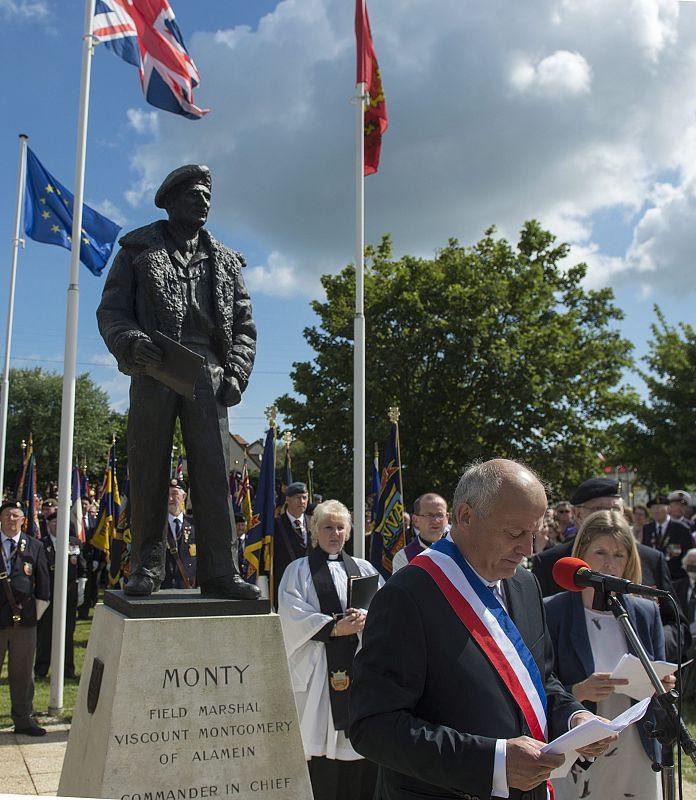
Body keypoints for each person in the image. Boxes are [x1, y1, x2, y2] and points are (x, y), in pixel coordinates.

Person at [349, 459, 614, 800]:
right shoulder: (406, 595)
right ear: (465, 516)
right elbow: (373, 726)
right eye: (515, 533)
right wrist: (493, 761)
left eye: (534, 533)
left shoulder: (525, 584)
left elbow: (541, 680)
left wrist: (574, 718)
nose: (527, 549)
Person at [97, 164, 259, 600]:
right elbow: (112, 311)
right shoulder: (137, 250)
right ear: (169, 202)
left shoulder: (225, 259)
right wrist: (130, 342)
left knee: (213, 471)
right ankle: (146, 566)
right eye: (194, 194)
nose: (203, 201)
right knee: (148, 467)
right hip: (155, 363)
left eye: (207, 195)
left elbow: (244, 325)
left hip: (208, 368)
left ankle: (221, 569)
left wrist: (236, 370)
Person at [545, 510, 675, 800]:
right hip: (582, 739)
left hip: (636, 739)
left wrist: (662, 685)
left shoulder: (645, 611)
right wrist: (578, 690)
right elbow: (541, 683)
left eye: (619, 555)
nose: (609, 564)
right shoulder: (553, 611)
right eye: (600, 552)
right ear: (581, 555)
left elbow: (659, 678)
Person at [278, 499, 382, 800]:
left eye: (340, 527)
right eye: (327, 527)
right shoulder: (298, 571)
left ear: (348, 532)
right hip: (319, 671)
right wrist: (334, 628)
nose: (334, 534)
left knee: (357, 753)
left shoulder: (364, 569)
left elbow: (386, 607)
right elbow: (290, 613)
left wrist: (365, 618)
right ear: (314, 531)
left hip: (359, 667)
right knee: (320, 747)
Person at [532, 478, 689, 662]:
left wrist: (650, 642)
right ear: (578, 514)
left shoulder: (650, 559)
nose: (608, 516)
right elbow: (538, 633)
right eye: (599, 509)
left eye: (615, 509)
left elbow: (678, 627)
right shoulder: (552, 563)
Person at [0, 501, 50, 736]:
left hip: (24, 621)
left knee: (23, 674)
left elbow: (44, 586)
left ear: (23, 520)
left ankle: (23, 720)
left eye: (15, 515)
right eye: (7, 515)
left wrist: (32, 617)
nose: (11, 519)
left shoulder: (35, 545)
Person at [34, 510, 86, 679]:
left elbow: (81, 567)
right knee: (45, 633)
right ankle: (41, 669)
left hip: (69, 594)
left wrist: (82, 586)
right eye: (54, 522)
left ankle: (67, 670)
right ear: (48, 525)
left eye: (60, 521)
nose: (57, 525)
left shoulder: (74, 543)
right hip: (48, 594)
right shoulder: (41, 544)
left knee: (67, 633)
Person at [391, 493, 448, 573]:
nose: (435, 521)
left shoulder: (460, 550)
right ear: (415, 520)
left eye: (440, 515)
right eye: (429, 515)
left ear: (447, 518)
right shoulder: (403, 557)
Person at [273, 482, 310, 600]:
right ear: (287, 499)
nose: (302, 501)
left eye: (304, 497)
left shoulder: (314, 523)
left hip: (310, 584)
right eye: (297, 498)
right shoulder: (276, 525)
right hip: (285, 584)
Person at [644, 495, 692, 580]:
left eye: (660, 508)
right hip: (653, 577)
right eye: (653, 508)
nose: (656, 511)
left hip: (676, 578)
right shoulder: (647, 528)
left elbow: (688, 555)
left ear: (668, 509)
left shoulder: (681, 529)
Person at [161, 479, 196, 589]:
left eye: (174, 494)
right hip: (163, 588)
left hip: (187, 588)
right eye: (167, 494)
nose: (170, 498)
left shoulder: (194, 525)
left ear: (183, 496)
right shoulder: (158, 525)